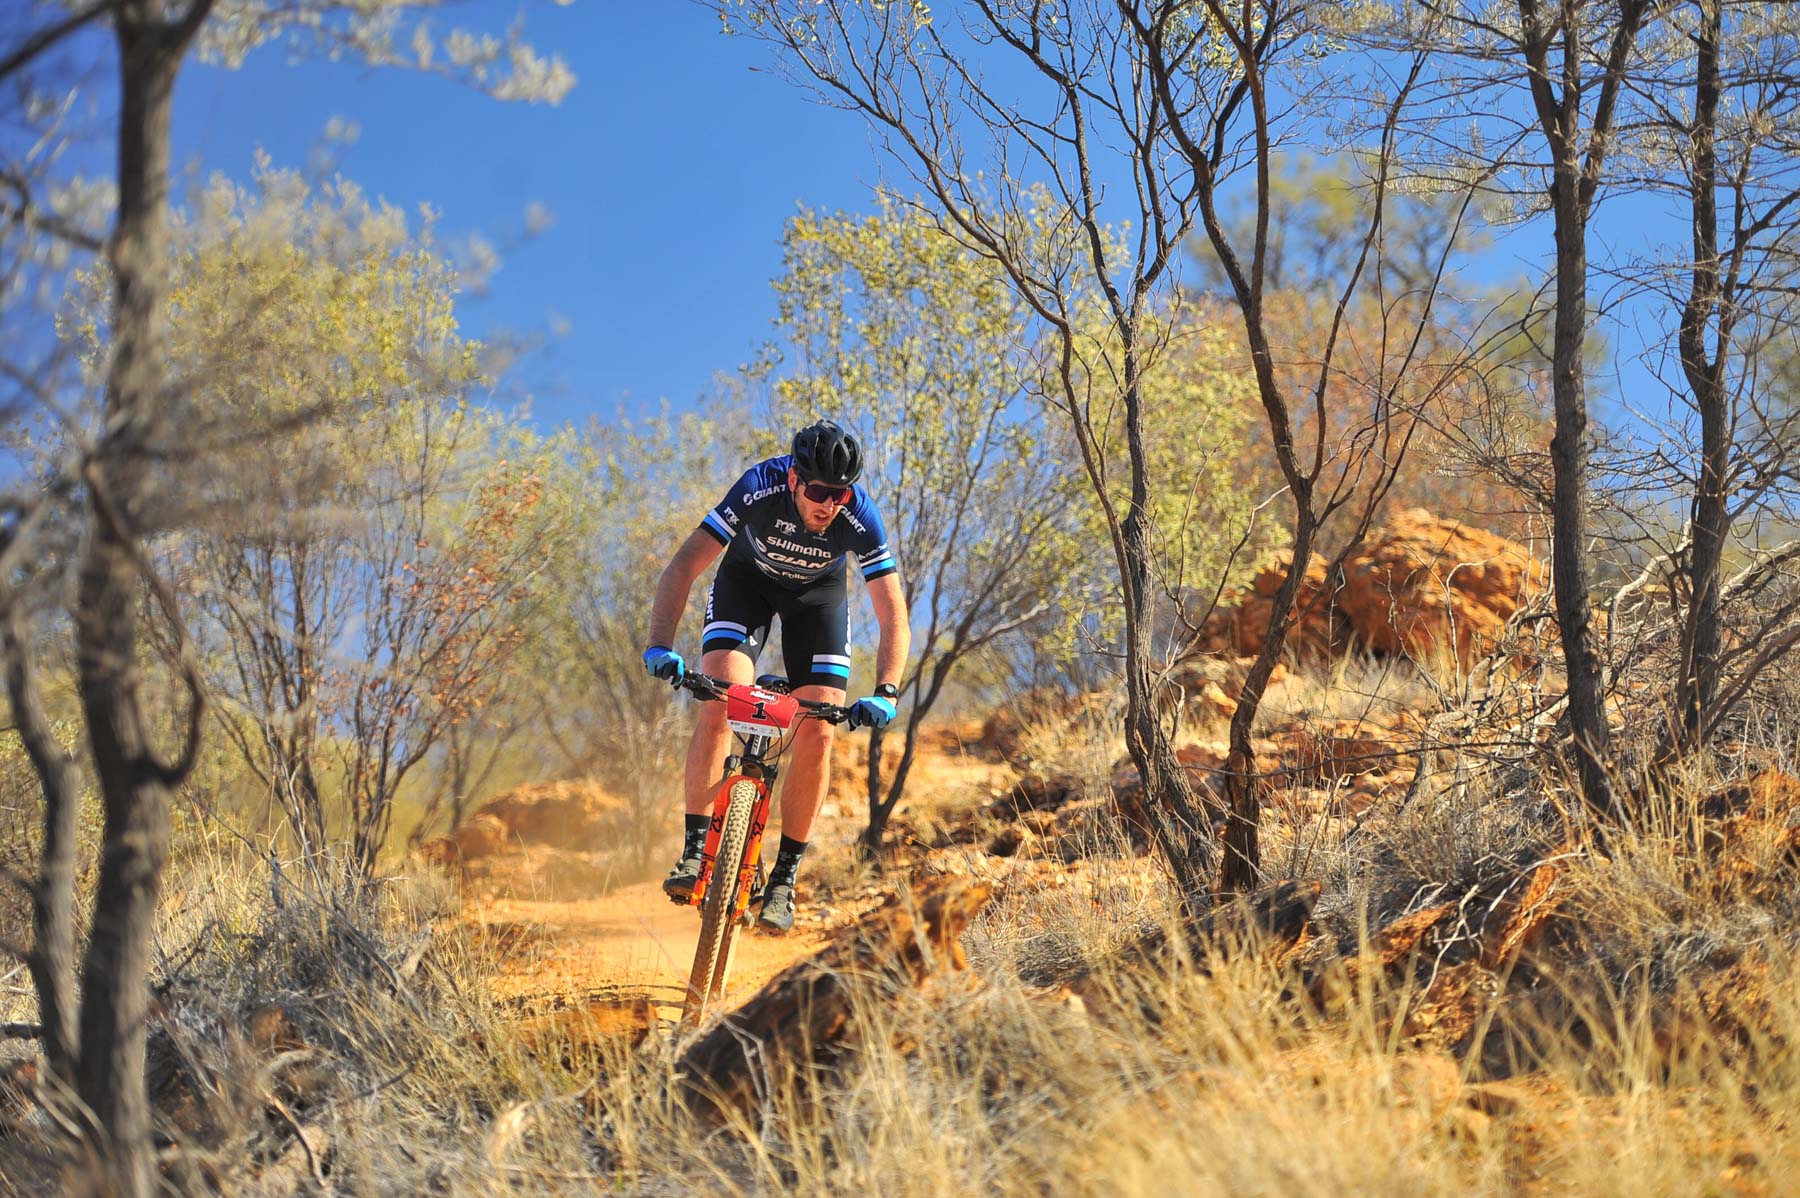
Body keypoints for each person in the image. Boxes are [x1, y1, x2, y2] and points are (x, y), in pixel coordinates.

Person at [642, 420, 910, 933]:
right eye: (817, 491)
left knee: (818, 731)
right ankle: (696, 852)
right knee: (719, 699)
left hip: (817, 603)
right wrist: (658, 643)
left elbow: (892, 612)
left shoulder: (860, 518)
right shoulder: (757, 487)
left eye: (839, 494)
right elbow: (683, 566)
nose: (828, 503)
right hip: (747, 587)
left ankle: (784, 880)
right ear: (793, 480)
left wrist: (886, 691)